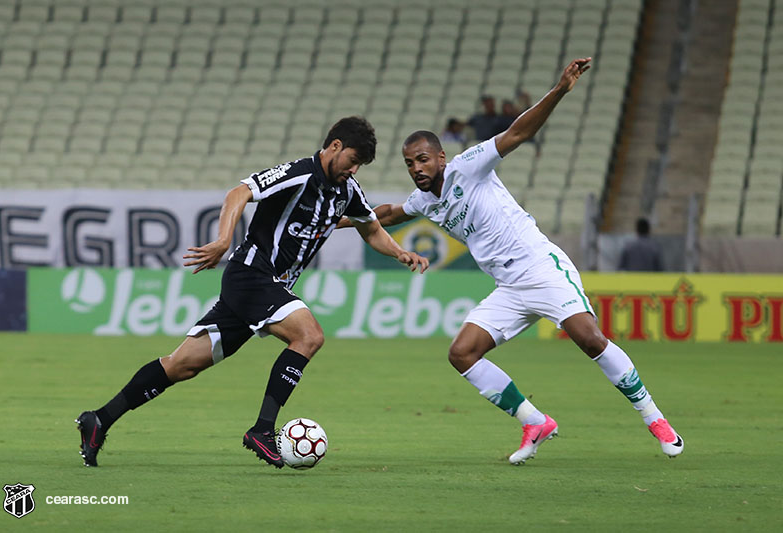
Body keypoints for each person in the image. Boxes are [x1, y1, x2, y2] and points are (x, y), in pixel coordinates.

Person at [342, 58, 684, 465]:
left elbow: (518, 132)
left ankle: (655, 420)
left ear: (441, 157)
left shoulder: (470, 166)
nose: (417, 168)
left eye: (423, 159)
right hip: (509, 288)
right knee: (462, 353)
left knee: (589, 338)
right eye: (409, 163)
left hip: (540, 267)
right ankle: (534, 421)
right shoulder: (423, 201)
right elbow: (385, 214)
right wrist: (332, 220)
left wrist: (558, 90)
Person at [76, 117, 429, 468]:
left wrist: (399, 251)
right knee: (309, 335)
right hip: (251, 275)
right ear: (334, 147)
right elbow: (239, 193)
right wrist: (224, 240)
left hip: (265, 288)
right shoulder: (299, 173)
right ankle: (262, 429)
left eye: (359, 166)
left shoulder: (347, 192)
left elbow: (371, 229)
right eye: (352, 161)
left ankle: (100, 419)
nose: (353, 170)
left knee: (180, 366)